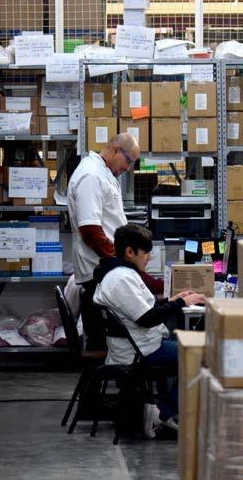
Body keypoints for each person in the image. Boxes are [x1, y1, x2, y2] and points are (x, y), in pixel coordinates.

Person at [92, 224, 205, 438]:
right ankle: (162, 413)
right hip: (139, 351)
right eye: (145, 252)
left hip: (141, 344)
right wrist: (180, 304)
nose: (149, 257)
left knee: (194, 349)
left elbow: (143, 308)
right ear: (130, 252)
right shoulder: (121, 279)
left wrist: (172, 300)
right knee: (203, 356)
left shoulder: (122, 273)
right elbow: (147, 319)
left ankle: (163, 410)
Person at [68, 133, 163, 350]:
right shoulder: (90, 175)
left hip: (109, 267)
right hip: (100, 269)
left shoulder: (103, 172)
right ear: (115, 150)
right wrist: (123, 260)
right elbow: (91, 230)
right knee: (110, 339)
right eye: (128, 160)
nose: (128, 168)